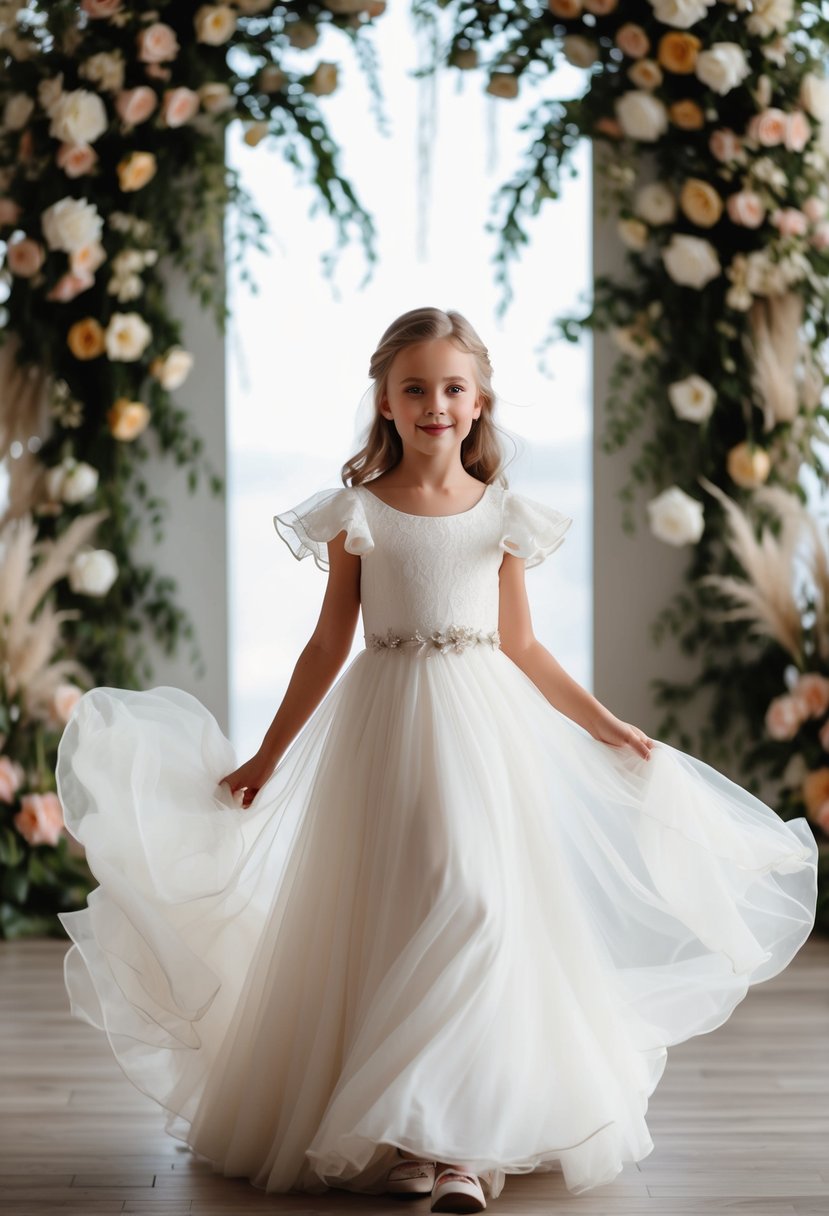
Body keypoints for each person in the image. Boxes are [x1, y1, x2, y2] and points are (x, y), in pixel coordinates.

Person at [56, 306, 818, 1214]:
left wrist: (605, 724)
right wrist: (267, 752)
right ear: (383, 399)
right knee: (396, 910)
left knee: (479, 901)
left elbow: (526, 648)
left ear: (479, 401)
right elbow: (324, 645)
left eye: (451, 388)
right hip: (382, 727)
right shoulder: (358, 513)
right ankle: (409, 1140)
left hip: (482, 729)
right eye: (414, 388)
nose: (434, 404)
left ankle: (463, 1145)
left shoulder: (500, 513)